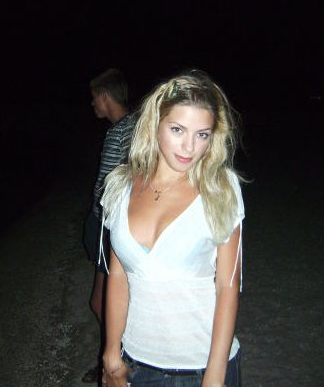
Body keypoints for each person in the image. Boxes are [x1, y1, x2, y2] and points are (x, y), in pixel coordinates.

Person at [98, 69, 245, 387]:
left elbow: (228, 286)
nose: (189, 147)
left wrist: (214, 375)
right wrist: (110, 352)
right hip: (136, 362)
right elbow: (119, 274)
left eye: (202, 134)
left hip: (200, 366)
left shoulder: (221, 189)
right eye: (178, 129)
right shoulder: (119, 186)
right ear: (156, 124)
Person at [82, 68, 136, 384]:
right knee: (103, 301)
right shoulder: (123, 129)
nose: (93, 104)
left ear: (104, 96)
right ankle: (114, 358)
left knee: (100, 302)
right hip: (105, 223)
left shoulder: (126, 131)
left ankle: (118, 359)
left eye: (94, 97)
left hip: (110, 227)